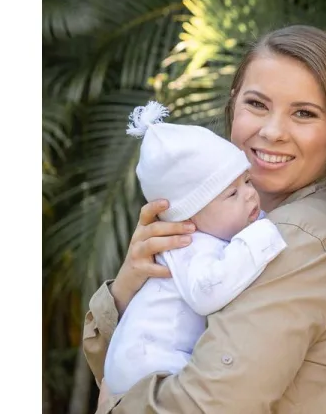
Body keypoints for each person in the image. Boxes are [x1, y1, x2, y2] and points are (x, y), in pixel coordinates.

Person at [82, 25, 326, 413]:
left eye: (304, 113)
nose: (272, 131)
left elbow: (211, 403)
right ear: (233, 105)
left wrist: (115, 407)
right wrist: (129, 288)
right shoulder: (226, 227)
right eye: (257, 104)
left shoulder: (298, 235)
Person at [103, 101, 287, 395]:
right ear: (189, 216)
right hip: (149, 363)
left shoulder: (212, 230)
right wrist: (263, 237)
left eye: (247, 180)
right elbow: (206, 292)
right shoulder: (187, 243)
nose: (251, 195)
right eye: (232, 193)